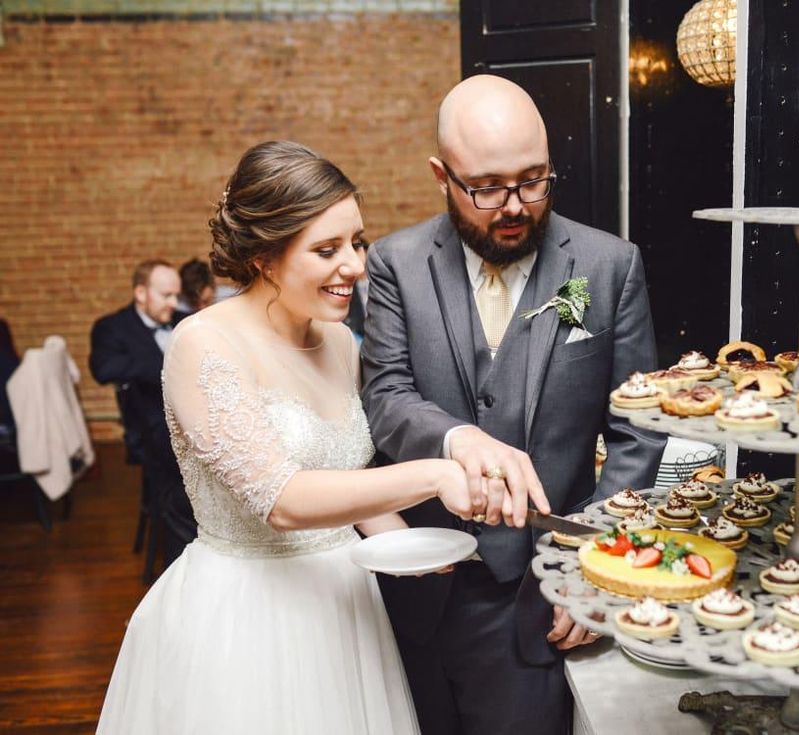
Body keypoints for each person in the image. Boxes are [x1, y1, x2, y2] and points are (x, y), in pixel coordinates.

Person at [96, 140, 543, 734]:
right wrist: (437, 473)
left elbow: (346, 477)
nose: (355, 266)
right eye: (327, 249)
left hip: (344, 605)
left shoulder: (335, 340)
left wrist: (405, 545)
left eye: (356, 242)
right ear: (265, 257)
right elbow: (282, 500)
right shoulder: (204, 344)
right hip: (247, 617)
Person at [361, 75, 666, 734]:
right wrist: (456, 440)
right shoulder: (394, 264)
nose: (515, 205)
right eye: (488, 186)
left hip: (540, 590)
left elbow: (638, 432)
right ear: (441, 175)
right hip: (411, 586)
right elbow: (385, 395)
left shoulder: (610, 266)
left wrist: (594, 571)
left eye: (534, 179)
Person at [90, 260, 194, 566]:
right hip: (152, 432)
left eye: (177, 295)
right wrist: (167, 369)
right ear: (140, 292)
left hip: (191, 419)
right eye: (166, 295)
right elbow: (103, 368)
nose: (174, 303)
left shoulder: (186, 321)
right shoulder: (112, 327)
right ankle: (182, 562)